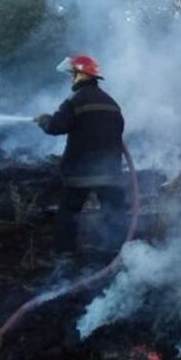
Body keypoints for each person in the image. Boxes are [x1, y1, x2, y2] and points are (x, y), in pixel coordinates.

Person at [35, 54, 126, 259]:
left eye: (72, 74)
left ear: (81, 75)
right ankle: (115, 252)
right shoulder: (112, 103)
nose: (71, 79)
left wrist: (44, 120)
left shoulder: (75, 100)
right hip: (110, 171)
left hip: (80, 172)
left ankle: (65, 256)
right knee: (114, 212)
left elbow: (56, 127)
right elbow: (118, 131)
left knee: (69, 212)